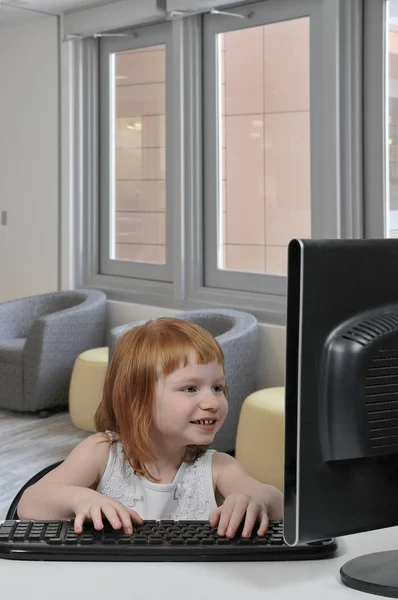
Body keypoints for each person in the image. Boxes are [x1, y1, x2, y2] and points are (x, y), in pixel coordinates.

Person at [18, 317, 283, 539]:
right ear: (137, 399)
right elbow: (30, 504)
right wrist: (80, 500)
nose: (213, 401)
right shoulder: (101, 453)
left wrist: (257, 500)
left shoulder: (219, 467)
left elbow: (277, 502)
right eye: (190, 388)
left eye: (217, 387)